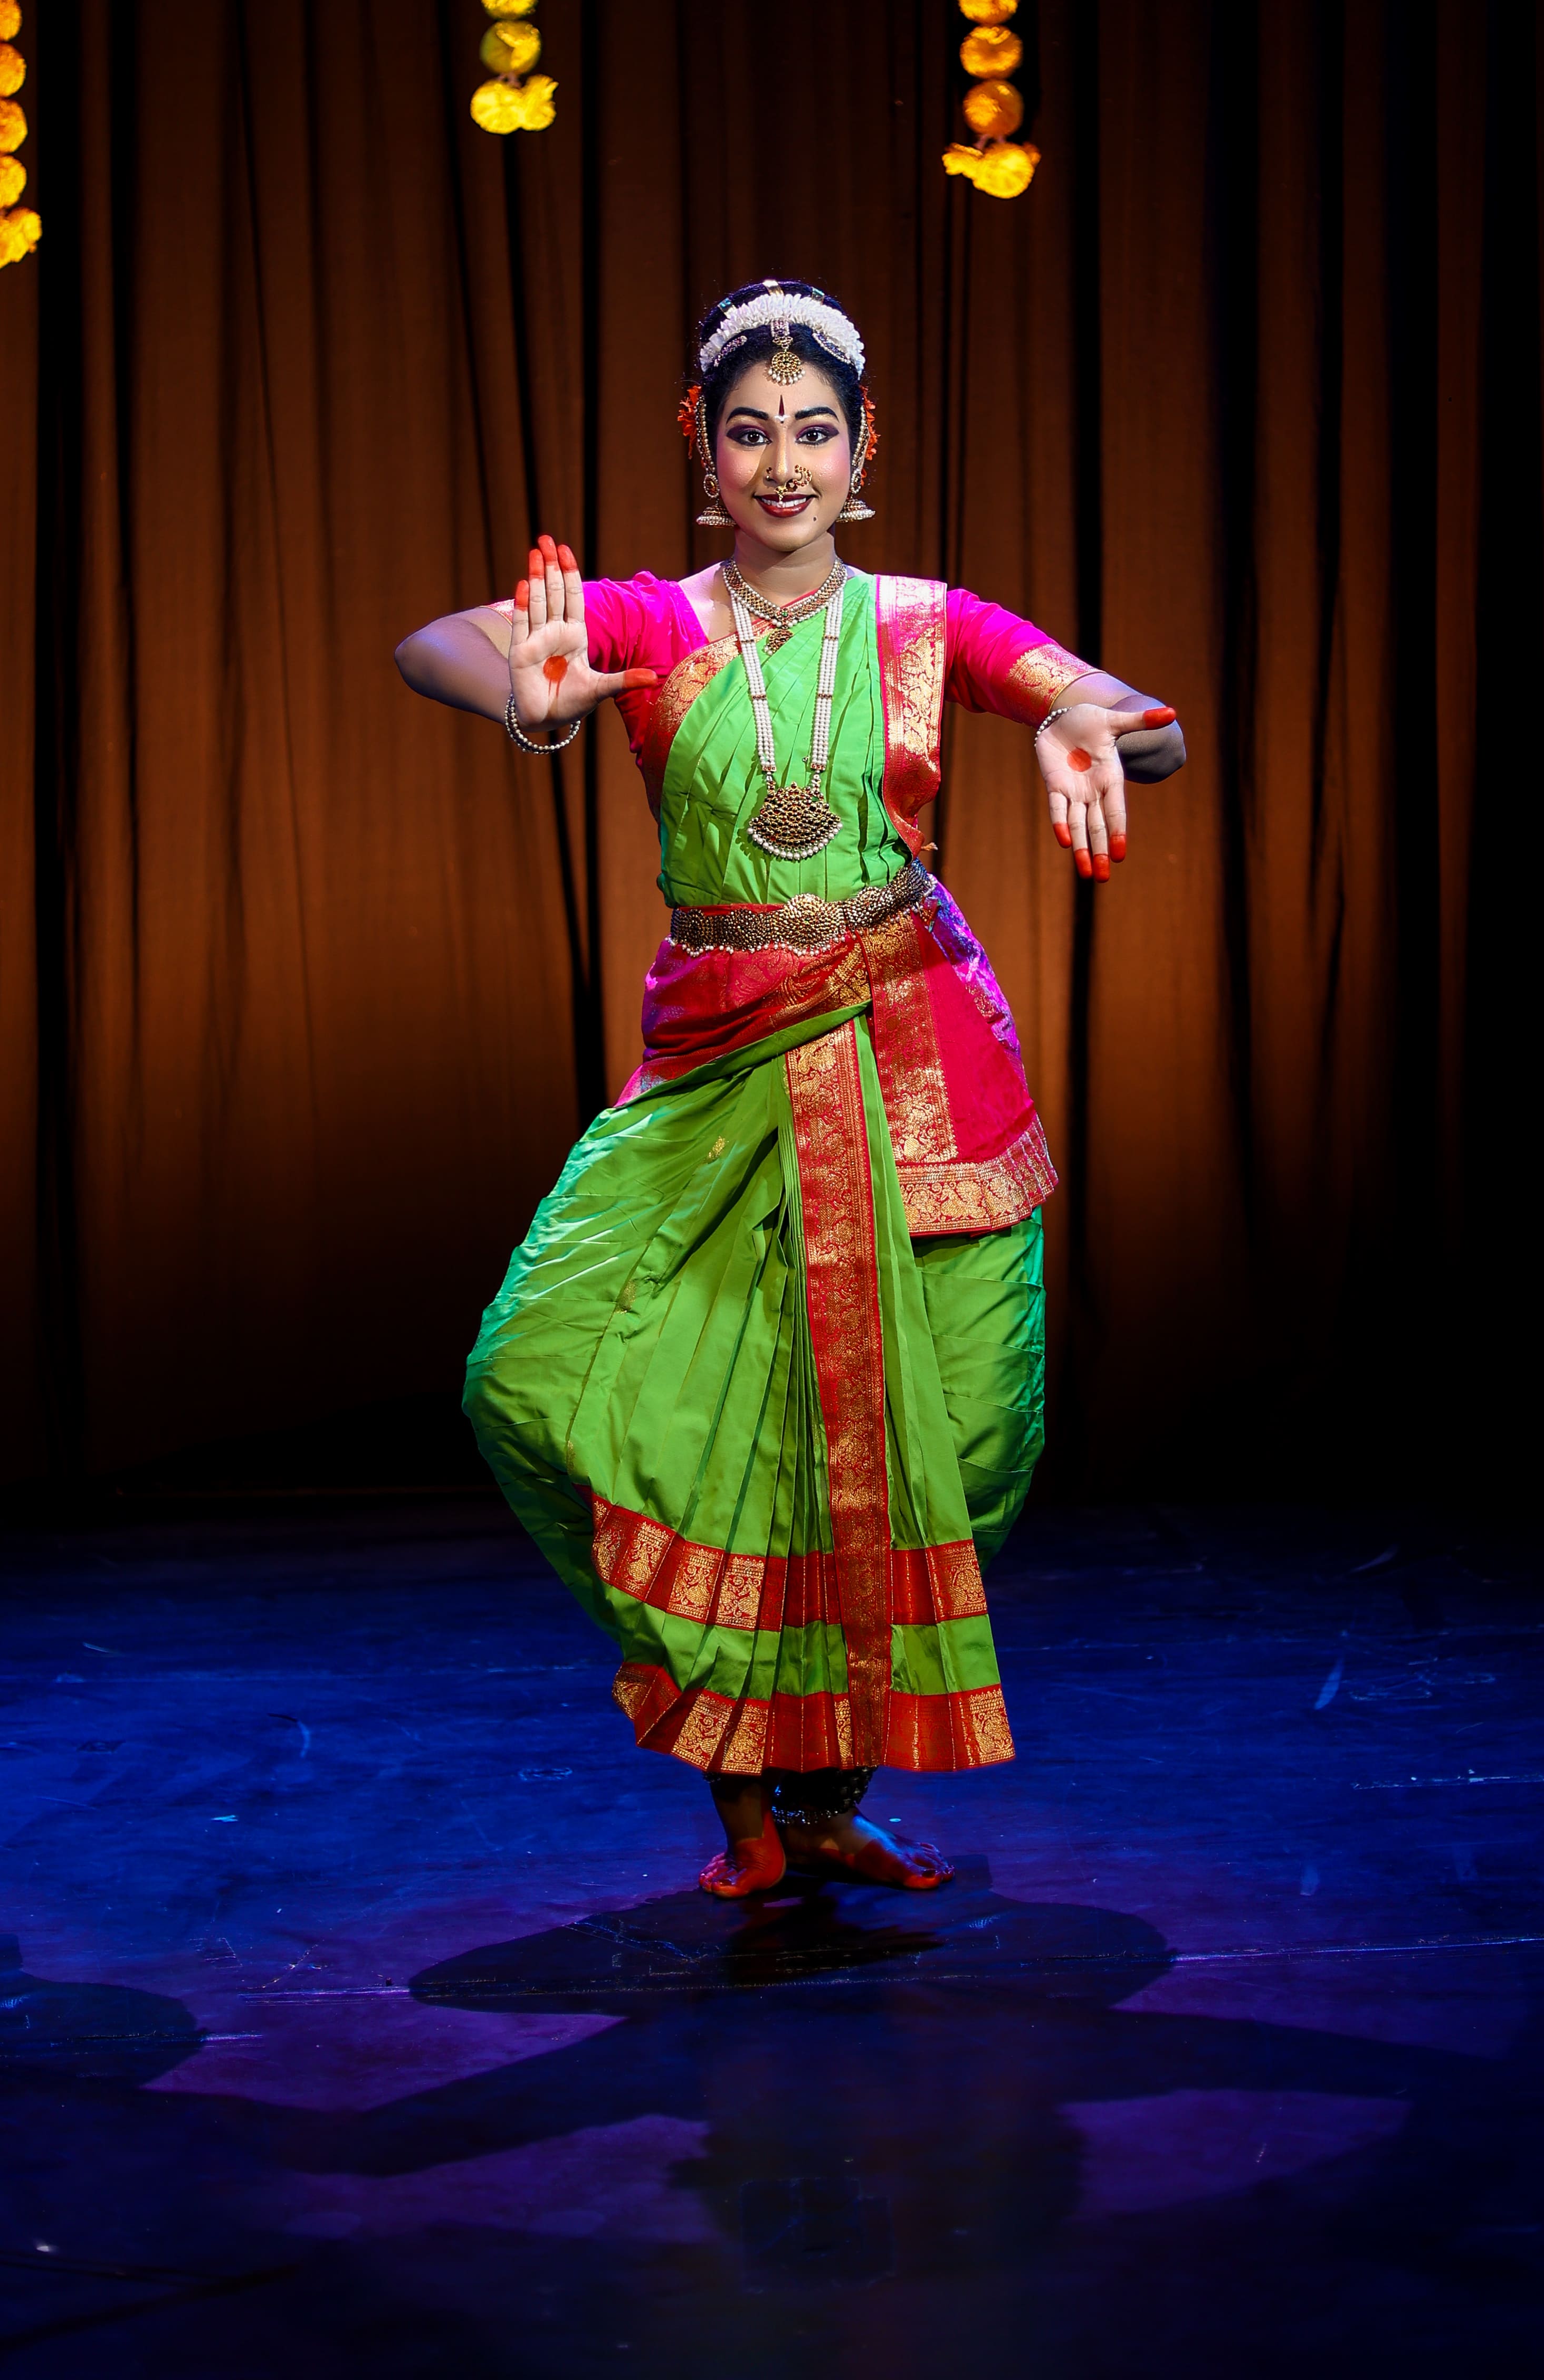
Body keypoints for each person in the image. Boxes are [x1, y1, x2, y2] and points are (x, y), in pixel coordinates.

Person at [395, 279, 1183, 1897]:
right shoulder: (652, 621)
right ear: (704, 444)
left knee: (938, 1450)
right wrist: (528, 703)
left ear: (861, 444)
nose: (783, 462)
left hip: (917, 1061)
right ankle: (738, 1776)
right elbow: (442, 645)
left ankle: (818, 1808)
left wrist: (1083, 732)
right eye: (750, 430)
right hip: (720, 1069)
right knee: (543, 1385)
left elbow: (1134, 723)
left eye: (813, 430)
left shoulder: (925, 621)